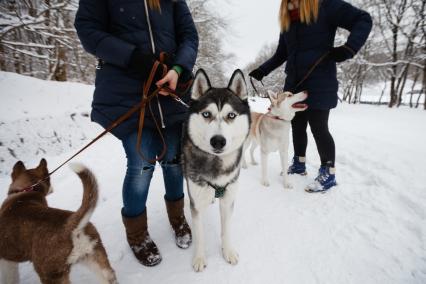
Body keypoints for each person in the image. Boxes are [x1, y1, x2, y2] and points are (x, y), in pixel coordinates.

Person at [74, 0, 198, 266]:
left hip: (171, 90)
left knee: (174, 162)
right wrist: (132, 57)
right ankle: (137, 235)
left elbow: (189, 34)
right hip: (127, 93)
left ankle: (178, 218)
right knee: (141, 164)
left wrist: (178, 69)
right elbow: (87, 29)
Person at [249, 0, 372, 193]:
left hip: (320, 80)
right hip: (295, 84)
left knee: (319, 127)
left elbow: (362, 19)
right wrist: (262, 70)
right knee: (297, 126)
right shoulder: (288, 21)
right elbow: (282, 53)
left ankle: (328, 172)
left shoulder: (325, 6)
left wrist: (349, 48)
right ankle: (299, 163)